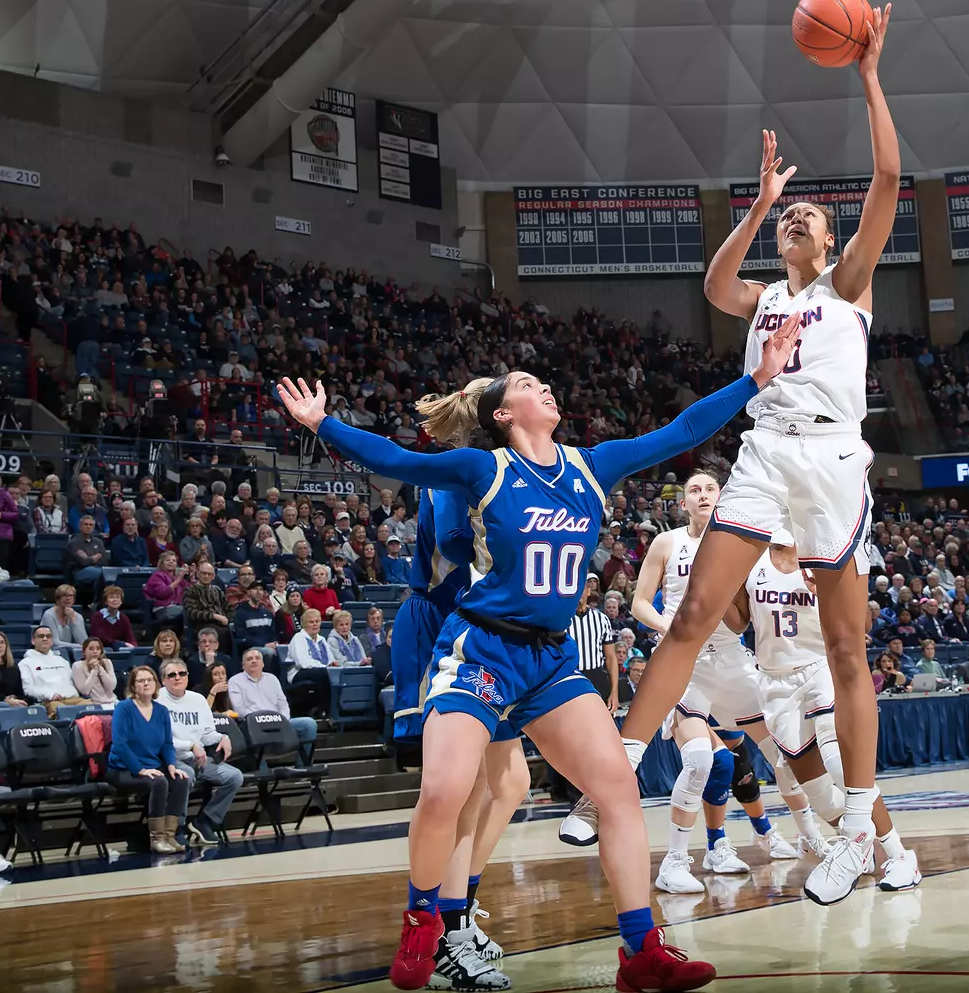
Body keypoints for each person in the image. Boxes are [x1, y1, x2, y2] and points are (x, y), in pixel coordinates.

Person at [273, 316, 796, 993]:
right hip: (481, 647)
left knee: (615, 790)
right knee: (443, 791)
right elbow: (396, 461)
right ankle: (423, 921)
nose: (545, 388)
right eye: (528, 384)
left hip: (548, 659)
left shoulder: (590, 463)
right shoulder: (481, 467)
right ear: (502, 412)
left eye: (543, 382)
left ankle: (640, 951)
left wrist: (755, 380)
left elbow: (682, 432)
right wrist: (324, 425)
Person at [613, 4, 899, 910]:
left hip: (833, 463)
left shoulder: (851, 283)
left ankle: (857, 827)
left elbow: (889, 173)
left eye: (807, 217)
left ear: (834, 239)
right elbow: (712, 285)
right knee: (695, 609)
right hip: (767, 451)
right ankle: (616, 765)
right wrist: (761, 205)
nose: (796, 225)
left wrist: (865, 74)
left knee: (850, 649)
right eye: (791, 219)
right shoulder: (766, 294)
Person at [621, 483, 813, 897]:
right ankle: (674, 862)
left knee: (783, 753)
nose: (703, 495)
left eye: (711, 489)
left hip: (731, 659)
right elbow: (639, 603)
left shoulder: (743, 545)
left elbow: (756, 607)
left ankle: (811, 836)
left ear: (722, 498)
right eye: (695, 490)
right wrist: (669, 628)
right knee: (699, 761)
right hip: (682, 660)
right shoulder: (666, 542)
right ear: (683, 501)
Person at [390, 478, 522, 987]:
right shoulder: (455, 472)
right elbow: (452, 542)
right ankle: (444, 928)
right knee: (460, 791)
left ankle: (458, 910)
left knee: (508, 784)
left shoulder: (508, 471)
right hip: (445, 626)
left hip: (489, 633)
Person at [739, 529, 919, 887]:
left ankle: (900, 856)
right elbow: (737, 620)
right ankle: (857, 847)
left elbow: (864, 624)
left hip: (820, 668)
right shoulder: (752, 558)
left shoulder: (823, 551)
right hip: (773, 682)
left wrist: (832, 593)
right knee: (820, 796)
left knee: (841, 765)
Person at [156, 658, 244, 847]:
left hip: (198, 758)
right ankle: (177, 827)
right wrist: (190, 746)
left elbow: (207, 734)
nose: (177, 677)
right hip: (170, 760)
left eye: (182, 673)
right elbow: (161, 739)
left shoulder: (197, 700)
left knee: (234, 776)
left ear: (188, 676)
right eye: (171, 675)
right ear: (163, 680)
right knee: (185, 775)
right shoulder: (157, 700)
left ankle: (204, 822)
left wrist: (222, 738)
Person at [108, 665, 192, 854]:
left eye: (149, 680)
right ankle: (157, 838)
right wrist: (140, 770)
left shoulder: (161, 710)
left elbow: (167, 743)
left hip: (152, 766)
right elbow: (120, 744)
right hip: (123, 769)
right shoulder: (124, 708)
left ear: (156, 684)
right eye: (140, 680)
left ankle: (170, 835)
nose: (145, 683)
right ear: (133, 685)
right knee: (159, 782)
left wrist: (171, 765)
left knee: (181, 779)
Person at [230, 647, 318, 761]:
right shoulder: (235, 681)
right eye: (249, 659)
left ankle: (303, 766)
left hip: (278, 721)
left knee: (309, 724)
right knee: (250, 733)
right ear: (243, 666)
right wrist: (261, 720)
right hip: (254, 725)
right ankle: (260, 772)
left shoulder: (272, 679)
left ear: (262, 664)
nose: (254, 661)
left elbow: (283, 705)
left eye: (257, 658)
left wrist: (283, 721)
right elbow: (240, 711)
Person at [19, 625, 86, 717]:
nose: (45, 639)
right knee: (61, 711)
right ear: (33, 641)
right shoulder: (25, 663)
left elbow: (74, 682)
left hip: (74, 699)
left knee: (91, 706)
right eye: (41, 636)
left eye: (48, 636)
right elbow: (28, 689)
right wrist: (50, 695)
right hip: (49, 701)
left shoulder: (62, 660)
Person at [287, 608, 335, 716]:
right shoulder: (299, 638)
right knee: (324, 673)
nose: (314, 624)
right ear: (304, 624)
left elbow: (330, 658)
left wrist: (332, 664)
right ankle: (323, 709)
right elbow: (302, 663)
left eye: (317, 622)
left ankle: (332, 708)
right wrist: (324, 667)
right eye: (311, 622)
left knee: (333, 673)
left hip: (319, 671)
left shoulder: (321, 639)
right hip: (298, 672)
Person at [145, 551, 190, 628]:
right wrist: (178, 579)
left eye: (173, 560)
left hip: (178, 607)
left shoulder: (177, 577)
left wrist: (192, 577)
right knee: (188, 612)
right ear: (162, 563)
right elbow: (162, 593)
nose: (171, 562)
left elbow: (190, 590)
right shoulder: (157, 576)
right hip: (163, 609)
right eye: (168, 560)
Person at [71, 636, 118, 704]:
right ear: (84, 652)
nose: (95, 651)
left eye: (98, 649)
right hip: (93, 703)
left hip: (113, 701)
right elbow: (85, 691)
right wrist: (94, 671)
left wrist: (100, 669)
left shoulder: (107, 662)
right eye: (91, 649)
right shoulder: (77, 666)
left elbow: (112, 686)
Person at [0, 629, 24, 705]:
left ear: (6, 646)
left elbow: (20, 693)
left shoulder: (13, 668)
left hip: (11, 705)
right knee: (3, 705)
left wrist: (15, 698)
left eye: (2, 642)